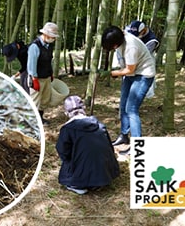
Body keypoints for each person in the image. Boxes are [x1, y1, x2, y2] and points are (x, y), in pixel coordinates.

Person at [101, 26, 156, 155]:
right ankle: (124, 135)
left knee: (131, 109)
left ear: (116, 43)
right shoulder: (119, 39)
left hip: (143, 75)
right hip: (131, 75)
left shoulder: (131, 46)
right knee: (123, 106)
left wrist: (112, 73)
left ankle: (137, 146)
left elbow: (129, 70)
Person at [56, 95, 120, 195]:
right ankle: (99, 182)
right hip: (106, 172)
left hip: (82, 172)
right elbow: (109, 147)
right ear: (84, 108)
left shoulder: (67, 129)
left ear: (66, 113)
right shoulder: (99, 125)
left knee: (67, 166)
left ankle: (76, 184)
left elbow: (63, 151)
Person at [27, 22, 59, 125]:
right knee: (34, 101)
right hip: (37, 78)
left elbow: (49, 60)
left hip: (46, 77)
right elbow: (31, 65)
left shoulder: (49, 46)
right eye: (51, 36)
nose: (53, 39)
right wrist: (34, 79)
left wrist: (51, 73)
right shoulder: (34, 46)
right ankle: (32, 122)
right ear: (45, 34)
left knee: (45, 100)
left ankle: (40, 118)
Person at [127, 20, 160, 98]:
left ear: (143, 30)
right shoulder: (130, 30)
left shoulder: (152, 41)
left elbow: (143, 54)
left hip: (145, 62)